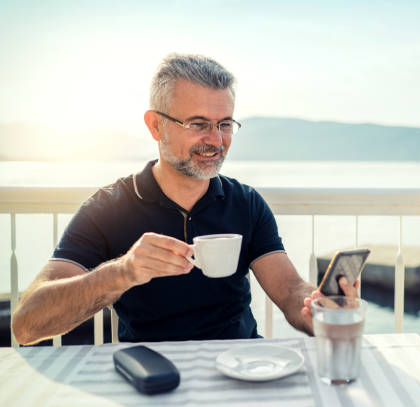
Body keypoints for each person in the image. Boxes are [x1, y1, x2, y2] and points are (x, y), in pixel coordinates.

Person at [12, 53, 357, 345]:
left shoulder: (247, 203)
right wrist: (123, 272)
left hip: (244, 370)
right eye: (197, 124)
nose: (216, 141)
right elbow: (26, 325)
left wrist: (321, 312)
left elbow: (290, 290)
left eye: (224, 124)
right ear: (155, 126)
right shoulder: (108, 209)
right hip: (154, 379)